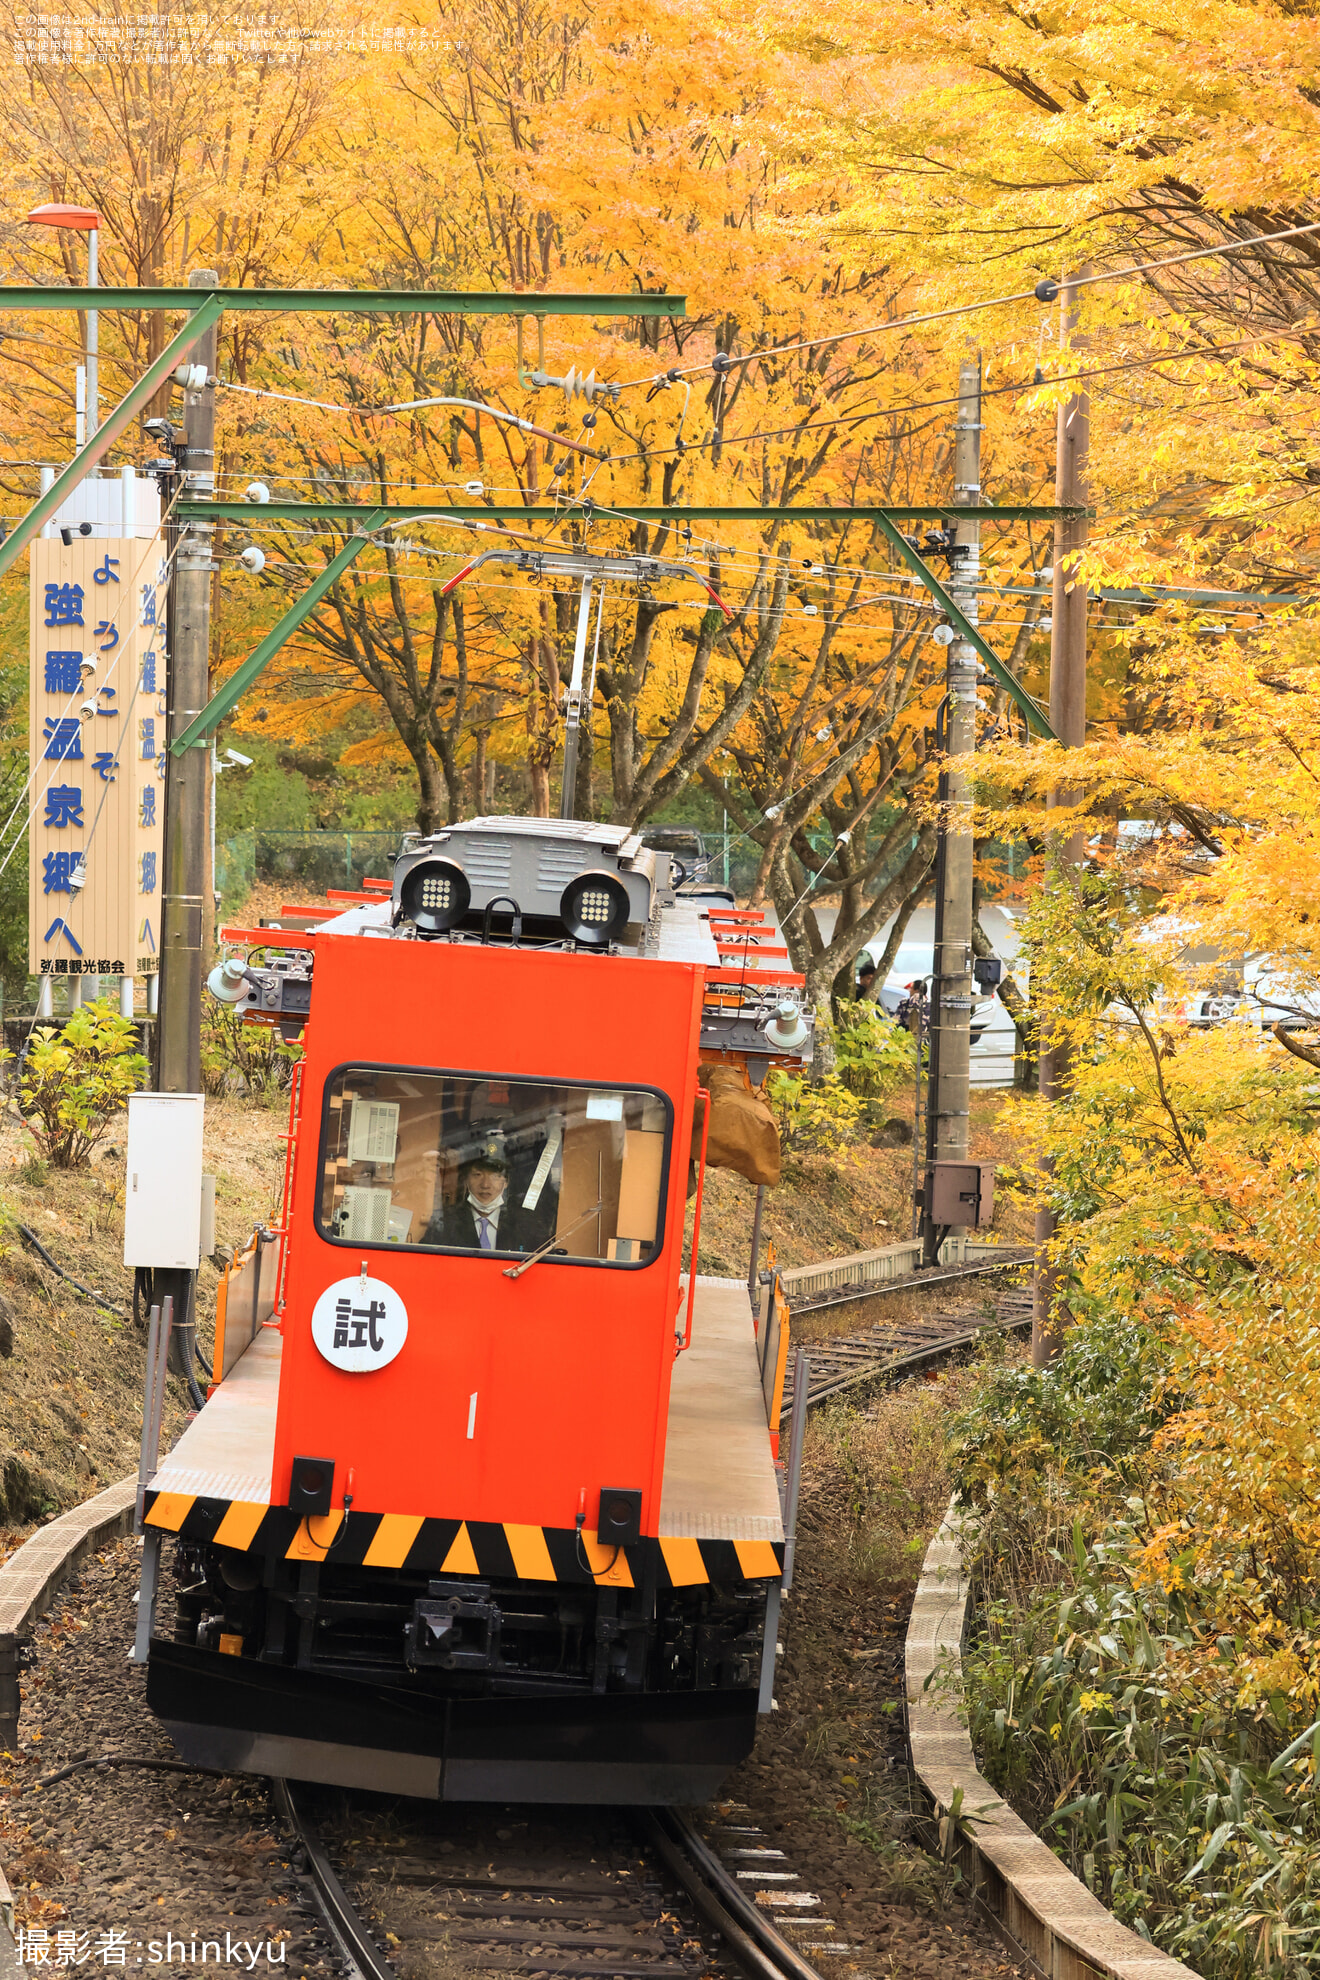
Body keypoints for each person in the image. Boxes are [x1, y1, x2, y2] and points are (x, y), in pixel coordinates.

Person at [423, 1150, 540, 1253]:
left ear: (506, 1182)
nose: (485, 1185)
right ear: (466, 1180)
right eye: (477, 1175)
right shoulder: (446, 1222)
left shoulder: (523, 1224)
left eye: (494, 1176)